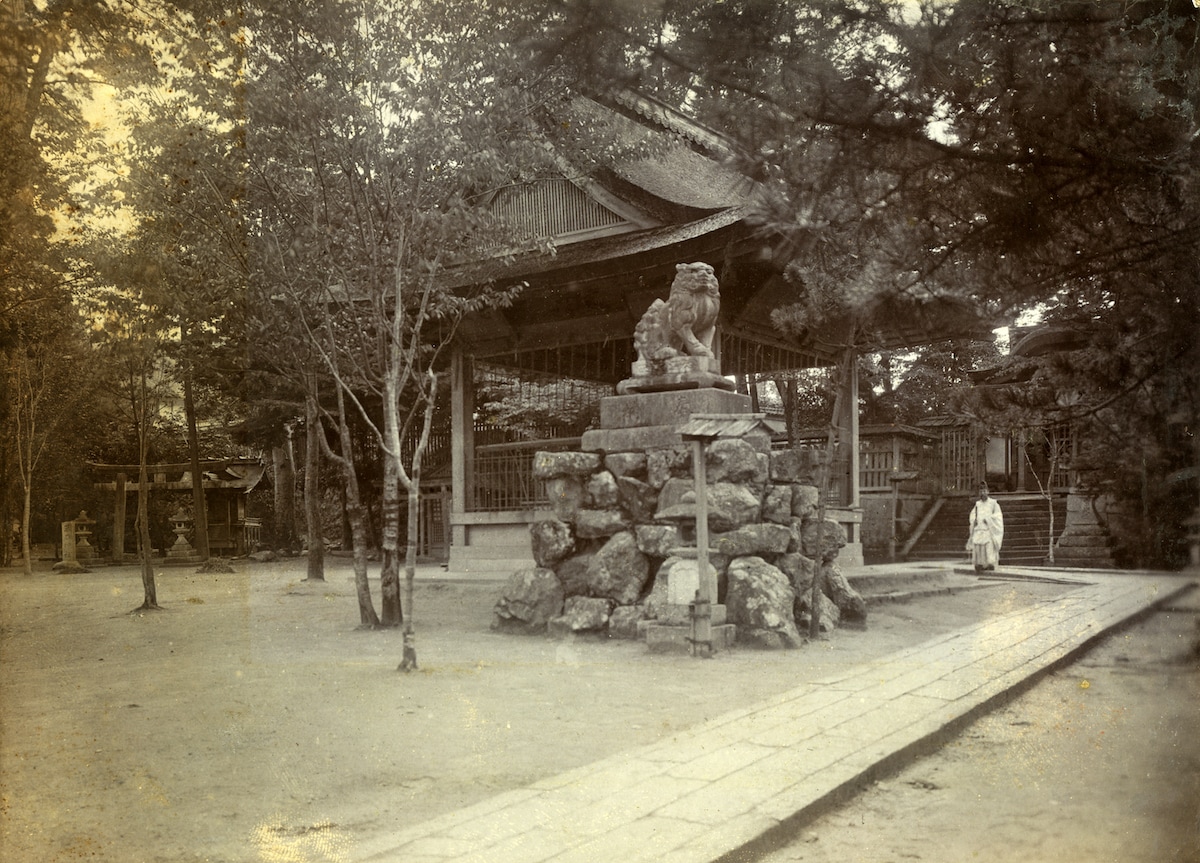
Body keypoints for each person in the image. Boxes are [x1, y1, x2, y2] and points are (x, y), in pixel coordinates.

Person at [968, 483, 1003, 572]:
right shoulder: (977, 504)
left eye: (984, 491)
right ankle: (979, 564)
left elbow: (998, 516)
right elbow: (973, 515)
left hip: (989, 528)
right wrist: (974, 520)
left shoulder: (993, 503)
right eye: (981, 491)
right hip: (979, 528)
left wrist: (989, 519)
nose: (982, 493)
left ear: (988, 492)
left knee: (988, 545)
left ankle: (989, 564)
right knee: (978, 545)